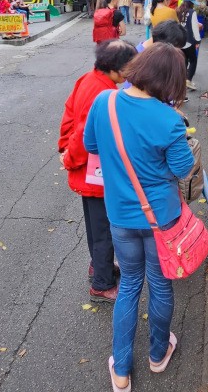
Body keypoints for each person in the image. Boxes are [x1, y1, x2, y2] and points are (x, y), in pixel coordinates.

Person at [83, 44, 195, 391]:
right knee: (160, 284)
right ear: (169, 81)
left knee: (130, 284)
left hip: (120, 216)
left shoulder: (105, 102)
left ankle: (121, 370)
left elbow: (91, 145)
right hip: (161, 217)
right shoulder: (169, 120)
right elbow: (183, 169)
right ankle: (158, 355)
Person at [59, 40, 138, 302]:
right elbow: (84, 133)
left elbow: (69, 115)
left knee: (95, 225)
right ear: (114, 68)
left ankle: (98, 265)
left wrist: (64, 148)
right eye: (128, 67)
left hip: (85, 168)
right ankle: (102, 285)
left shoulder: (88, 79)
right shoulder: (103, 93)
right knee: (105, 228)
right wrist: (70, 158)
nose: (131, 73)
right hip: (95, 171)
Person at [176, 0, 203, 91]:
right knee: (193, 60)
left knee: (184, 60)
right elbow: (195, 28)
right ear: (191, 3)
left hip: (180, 41)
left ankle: (182, 80)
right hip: (189, 41)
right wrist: (198, 40)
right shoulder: (192, 12)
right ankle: (188, 80)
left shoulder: (178, 11)